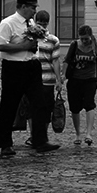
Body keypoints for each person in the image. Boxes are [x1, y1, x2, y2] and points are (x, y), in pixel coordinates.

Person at [0, 0, 58, 156]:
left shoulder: (31, 23)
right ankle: (5, 144)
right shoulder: (8, 23)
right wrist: (22, 46)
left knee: (39, 104)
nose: (35, 10)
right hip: (14, 68)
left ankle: (40, 140)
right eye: (32, 7)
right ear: (23, 7)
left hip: (32, 66)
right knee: (9, 106)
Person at [30, 9, 64, 149]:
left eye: (44, 24)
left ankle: (42, 135)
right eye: (40, 23)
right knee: (32, 110)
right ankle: (34, 136)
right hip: (33, 79)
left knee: (46, 109)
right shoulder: (30, 37)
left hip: (48, 79)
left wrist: (58, 79)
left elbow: (55, 61)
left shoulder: (53, 40)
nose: (42, 26)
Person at [64, 24, 97, 147]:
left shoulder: (96, 47)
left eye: (86, 38)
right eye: (82, 38)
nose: (84, 41)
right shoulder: (74, 45)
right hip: (75, 80)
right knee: (74, 107)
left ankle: (89, 134)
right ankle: (78, 133)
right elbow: (67, 60)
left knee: (89, 105)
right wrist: (63, 75)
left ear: (90, 36)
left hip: (90, 80)